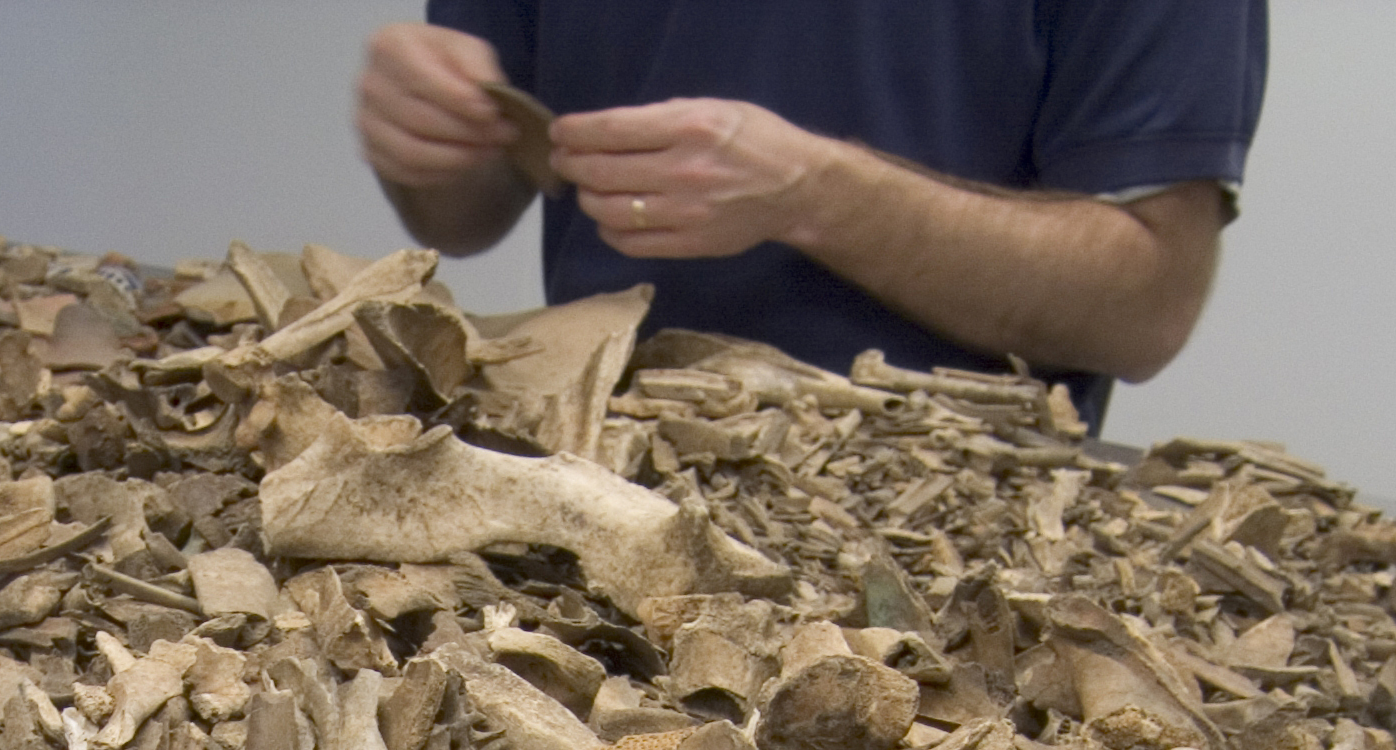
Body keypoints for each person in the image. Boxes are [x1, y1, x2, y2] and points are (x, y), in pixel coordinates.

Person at [354, 2, 1267, 432]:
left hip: (952, 541)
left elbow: (1148, 303)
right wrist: (429, 131)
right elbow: (470, 211)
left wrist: (816, 194)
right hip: (594, 473)